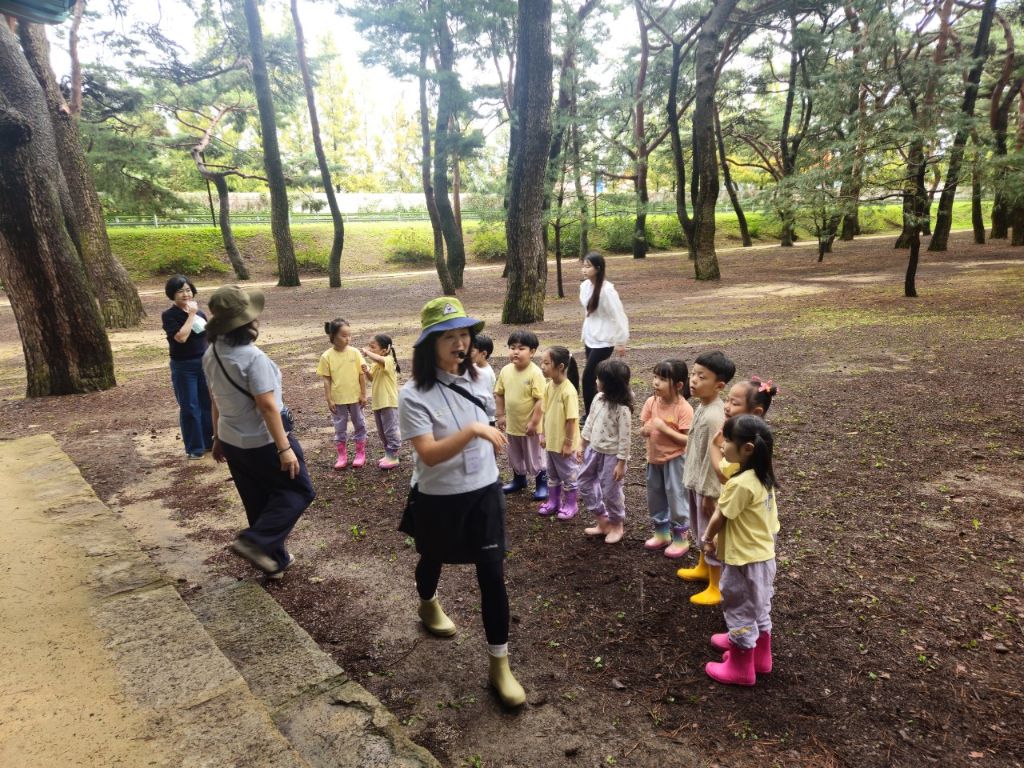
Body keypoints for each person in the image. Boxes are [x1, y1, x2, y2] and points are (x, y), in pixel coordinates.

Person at [397, 297, 525, 708]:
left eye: (464, 334)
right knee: (432, 557)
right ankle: (428, 604)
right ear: (428, 344)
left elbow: (487, 419)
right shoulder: (413, 394)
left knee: (492, 575)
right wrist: (472, 431)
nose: (459, 343)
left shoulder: (482, 377)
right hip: (439, 495)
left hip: (484, 490)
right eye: (447, 336)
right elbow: (429, 454)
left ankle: (500, 666)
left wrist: (487, 432)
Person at [203, 285, 315, 580]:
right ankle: (256, 541)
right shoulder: (253, 358)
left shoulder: (211, 353)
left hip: (232, 439)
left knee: (256, 498)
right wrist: (284, 448)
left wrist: (217, 437)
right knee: (299, 490)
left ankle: (273, 562)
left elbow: (214, 398)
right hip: (264, 441)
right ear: (246, 322)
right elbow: (267, 406)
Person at [701, 415, 779, 687]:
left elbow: (720, 516)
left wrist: (707, 538)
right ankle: (761, 656)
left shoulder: (740, 484)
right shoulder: (762, 477)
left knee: (739, 608)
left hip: (743, 561)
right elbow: (724, 466)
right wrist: (717, 447)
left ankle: (741, 666)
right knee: (759, 606)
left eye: (727, 440)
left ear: (747, 449)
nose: (723, 445)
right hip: (763, 557)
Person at [678, 351, 736, 604]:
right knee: (699, 528)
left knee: (709, 532)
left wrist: (711, 493)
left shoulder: (715, 415)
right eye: (693, 373)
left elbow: (717, 458)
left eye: (702, 377)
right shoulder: (701, 406)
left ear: (719, 386)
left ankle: (716, 585)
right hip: (696, 482)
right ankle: (703, 567)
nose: (693, 380)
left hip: (707, 488)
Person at [640, 360, 693, 558]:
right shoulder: (651, 402)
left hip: (675, 460)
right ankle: (661, 533)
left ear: (678, 385)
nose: (656, 382)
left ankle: (681, 538)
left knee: (676, 496)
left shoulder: (684, 408)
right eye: (655, 377)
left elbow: (687, 440)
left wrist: (664, 429)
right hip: (654, 458)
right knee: (655, 496)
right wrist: (645, 430)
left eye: (662, 379)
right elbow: (644, 427)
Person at [579, 359, 633, 544]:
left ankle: (617, 524)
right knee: (583, 481)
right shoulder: (598, 398)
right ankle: (602, 520)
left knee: (611, 491)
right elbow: (589, 422)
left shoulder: (622, 409)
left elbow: (625, 439)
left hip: (612, 456)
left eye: (599, 379)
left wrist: (621, 463)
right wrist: (582, 445)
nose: (596, 381)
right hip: (593, 451)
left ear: (610, 384)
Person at [162, 275, 214, 459]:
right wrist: (191, 314)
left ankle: (210, 441)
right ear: (172, 294)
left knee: (208, 403)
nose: (185, 294)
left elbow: (208, 337)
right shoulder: (170, 315)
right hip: (183, 366)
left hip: (204, 363)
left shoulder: (201, 314)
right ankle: (194, 448)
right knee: (190, 406)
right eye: (180, 291)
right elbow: (181, 338)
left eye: (188, 290)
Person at [494, 330, 548, 500]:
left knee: (535, 456)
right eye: (512, 348)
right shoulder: (505, 371)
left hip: (531, 427)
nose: (515, 352)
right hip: (513, 425)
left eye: (521, 348)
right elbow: (499, 394)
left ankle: (542, 483)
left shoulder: (535, 373)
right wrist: (500, 415)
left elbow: (540, 400)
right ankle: (519, 480)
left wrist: (534, 422)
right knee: (515, 454)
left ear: (532, 352)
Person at [579, 252, 629, 420]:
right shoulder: (585, 286)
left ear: (598, 268)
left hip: (605, 340)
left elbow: (618, 315)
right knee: (594, 377)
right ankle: (596, 410)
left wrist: (621, 341)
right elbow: (589, 312)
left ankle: (590, 415)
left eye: (588, 266)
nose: (584, 270)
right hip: (590, 337)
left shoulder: (607, 291)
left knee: (588, 376)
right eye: (583, 266)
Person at [537, 346, 582, 520]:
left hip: (564, 445)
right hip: (551, 443)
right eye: (542, 362)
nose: (542, 366)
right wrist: (543, 435)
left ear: (560, 366)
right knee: (552, 473)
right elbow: (545, 412)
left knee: (569, 474)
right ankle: (554, 501)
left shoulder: (568, 391)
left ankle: (571, 504)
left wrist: (568, 443)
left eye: (546, 363)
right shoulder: (548, 387)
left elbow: (571, 420)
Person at [317, 318, 367, 469]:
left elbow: (361, 375)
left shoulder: (355, 353)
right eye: (344, 335)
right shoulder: (326, 356)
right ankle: (342, 456)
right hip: (338, 399)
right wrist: (329, 399)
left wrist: (363, 394)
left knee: (359, 424)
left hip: (355, 397)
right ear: (333, 336)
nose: (348, 338)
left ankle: (360, 453)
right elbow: (326, 380)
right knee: (340, 427)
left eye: (349, 335)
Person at [361, 333, 402, 470]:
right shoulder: (375, 364)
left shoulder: (389, 360)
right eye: (369, 347)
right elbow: (372, 378)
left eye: (373, 347)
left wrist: (367, 353)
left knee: (390, 430)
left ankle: (393, 457)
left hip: (389, 402)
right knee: (382, 432)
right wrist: (366, 371)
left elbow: (379, 359)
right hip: (378, 402)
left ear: (384, 350)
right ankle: (388, 454)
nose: (370, 349)